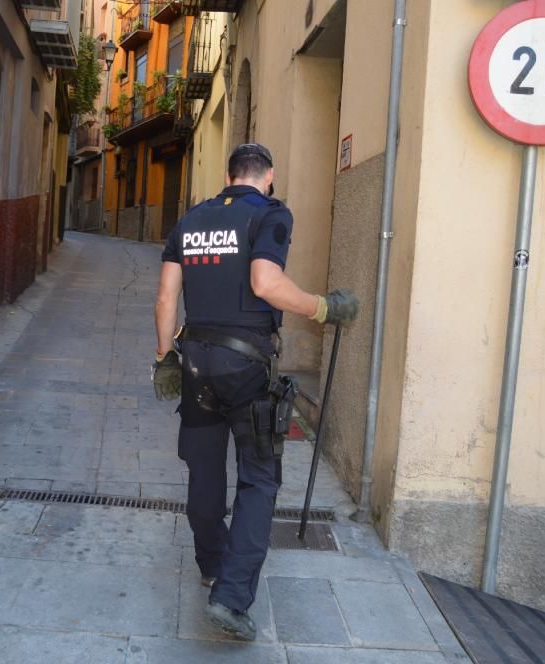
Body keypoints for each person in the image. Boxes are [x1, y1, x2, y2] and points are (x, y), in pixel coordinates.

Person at [152, 143, 359, 641]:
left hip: (197, 360)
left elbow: (165, 297)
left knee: (203, 470)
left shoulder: (192, 219)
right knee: (259, 478)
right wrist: (322, 308)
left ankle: (210, 562)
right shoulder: (270, 213)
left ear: (227, 176)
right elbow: (265, 282)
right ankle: (231, 594)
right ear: (268, 177)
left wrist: (165, 358)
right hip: (246, 365)